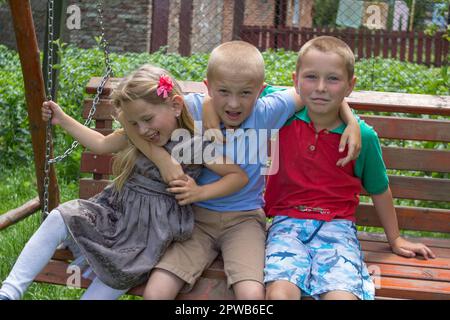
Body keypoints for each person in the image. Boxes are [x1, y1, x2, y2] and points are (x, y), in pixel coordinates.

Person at [126, 41, 362, 300]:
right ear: (208, 88)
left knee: (251, 295)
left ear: (260, 91)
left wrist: (351, 120)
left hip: (244, 221)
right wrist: (162, 158)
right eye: (224, 91)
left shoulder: (267, 111)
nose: (234, 104)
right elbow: (127, 119)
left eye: (246, 93)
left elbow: (314, 93)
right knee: (156, 292)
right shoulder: (191, 108)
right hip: (195, 221)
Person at [0, 64, 248, 300]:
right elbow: (100, 143)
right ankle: (10, 291)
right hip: (113, 214)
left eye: (148, 119)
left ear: (175, 106)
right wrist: (62, 119)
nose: (142, 130)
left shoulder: (194, 145)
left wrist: (199, 192)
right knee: (61, 215)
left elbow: (237, 176)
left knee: (123, 270)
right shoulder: (136, 133)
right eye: (134, 123)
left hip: (148, 234)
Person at [263, 36, 436, 300]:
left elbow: (379, 189)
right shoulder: (281, 115)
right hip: (286, 225)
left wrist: (396, 239)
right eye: (311, 77)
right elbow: (249, 88)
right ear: (296, 79)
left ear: (350, 85)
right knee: (279, 294)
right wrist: (348, 113)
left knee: (342, 296)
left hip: (337, 229)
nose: (320, 87)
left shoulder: (362, 137)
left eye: (333, 79)